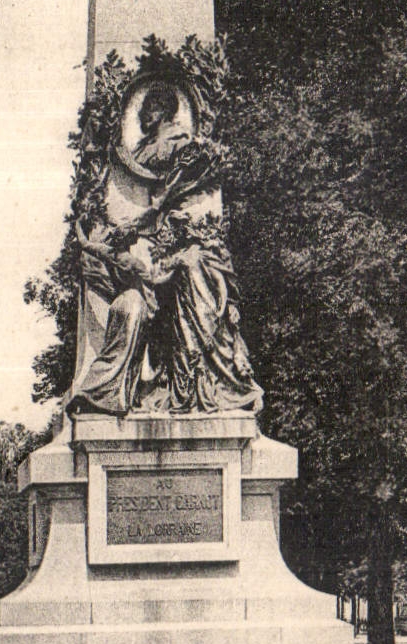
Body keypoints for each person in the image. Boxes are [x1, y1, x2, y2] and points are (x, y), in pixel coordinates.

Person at [67, 84, 262, 416]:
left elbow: (163, 210)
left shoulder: (180, 143)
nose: (145, 115)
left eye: (151, 108)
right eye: (143, 109)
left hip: (180, 270)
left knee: (194, 277)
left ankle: (205, 384)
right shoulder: (145, 149)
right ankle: (118, 391)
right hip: (153, 275)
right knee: (136, 305)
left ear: (164, 111)